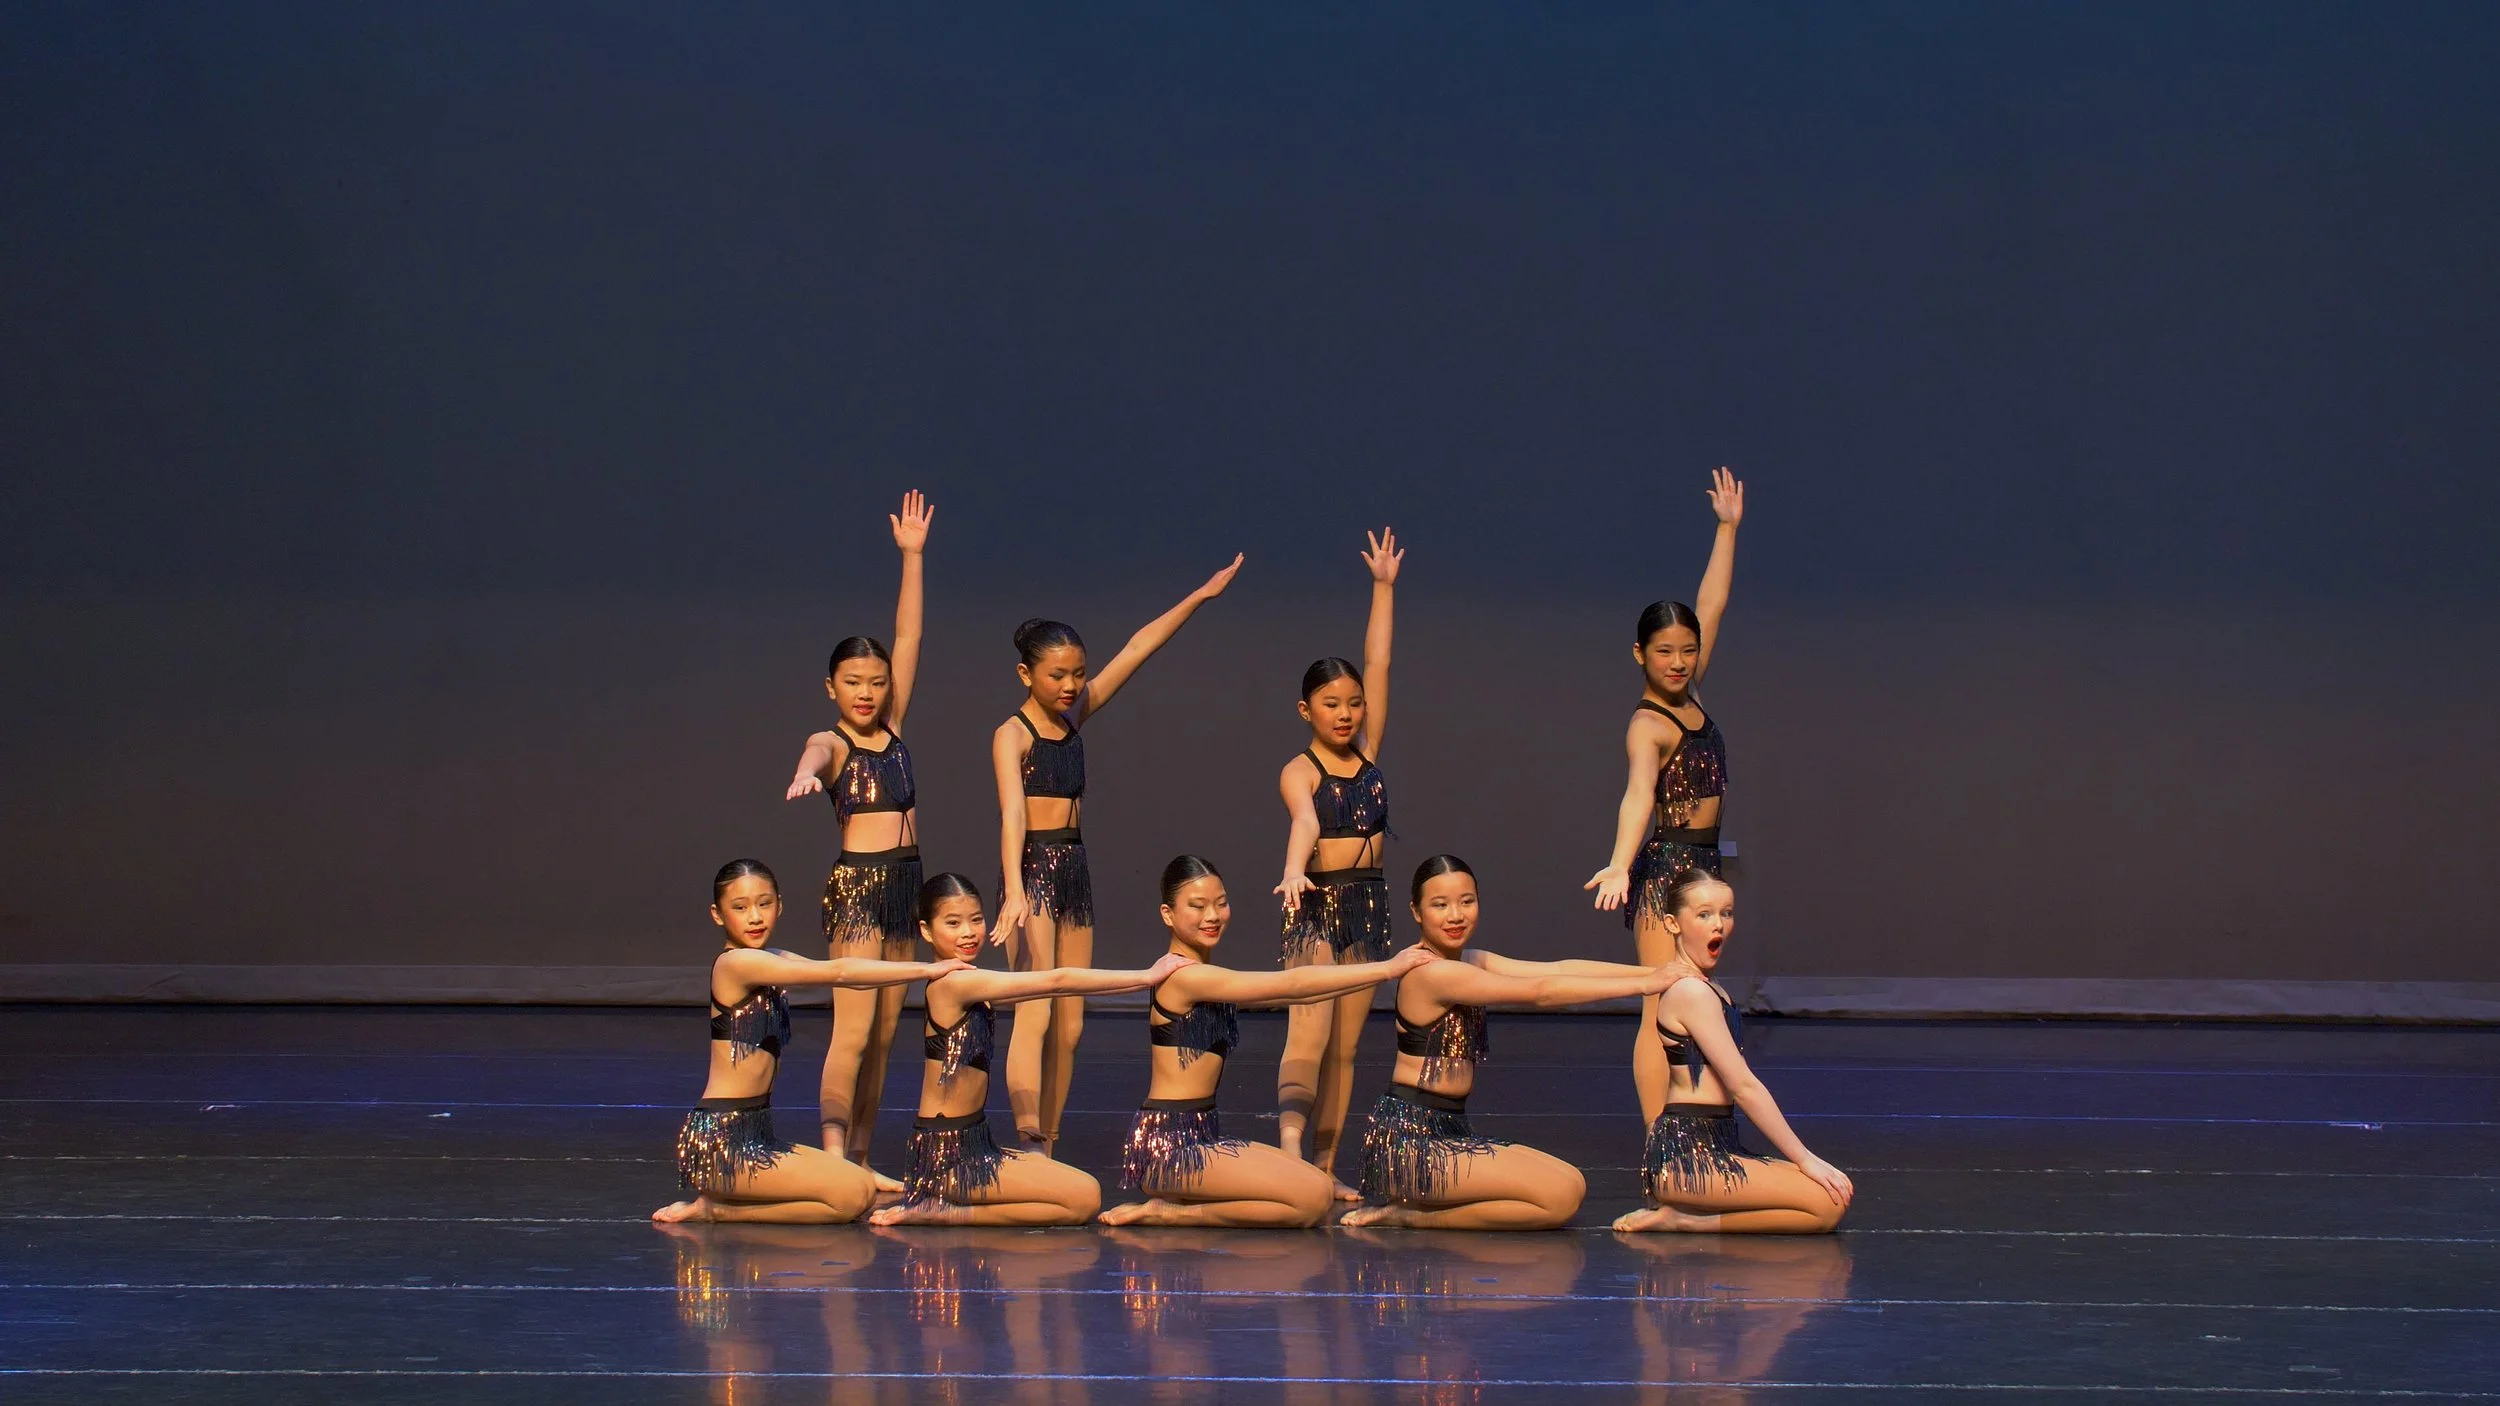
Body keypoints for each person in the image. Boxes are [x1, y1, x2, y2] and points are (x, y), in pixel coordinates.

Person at [986, 553, 1245, 1156]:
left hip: (1072, 871)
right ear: (1025, 674)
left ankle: (1048, 1145)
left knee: (1071, 1026)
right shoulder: (1012, 733)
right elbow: (1013, 814)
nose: (1070, 685)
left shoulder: (1074, 717)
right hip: (1033, 871)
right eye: (1057, 675)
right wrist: (1015, 890)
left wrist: (1199, 596)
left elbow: (1136, 648)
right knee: (1036, 1011)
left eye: (1078, 673)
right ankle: (1026, 1138)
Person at [1341, 856, 1683, 1231]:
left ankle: (1413, 1208)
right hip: (1412, 1144)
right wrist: (1644, 985)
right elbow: (1541, 991)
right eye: (1440, 905)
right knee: (1559, 1198)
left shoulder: (1471, 960)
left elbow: (1559, 969)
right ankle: (1408, 1214)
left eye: (1467, 902)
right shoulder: (1431, 973)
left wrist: (1660, 972)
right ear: (1416, 912)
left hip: (1448, 1131)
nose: (1455, 915)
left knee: (1571, 1182)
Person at [1099, 855, 1436, 1228]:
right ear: (1168, 914)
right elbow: (1291, 986)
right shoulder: (1184, 977)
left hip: (1199, 1137)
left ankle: (1180, 1204)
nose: (1212, 916)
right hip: (1170, 1149)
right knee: (1311, 1200)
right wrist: (1388, 969)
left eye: (1221, 903)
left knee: (1316, 1186)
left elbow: (1304, 991)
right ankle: (1171, 1212)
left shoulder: (1202, 971)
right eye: (1197, 906)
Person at [653, 859, 968, 1224]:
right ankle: (716, 1209)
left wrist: (919, 971)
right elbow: (839, 971)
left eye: (764, 904)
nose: (755, 917)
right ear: (717, 914)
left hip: (756, 1136)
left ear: (779, 905)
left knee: (860, 1187)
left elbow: (848, 972)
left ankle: (723, 1204)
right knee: (852, 1196)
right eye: (740, 908)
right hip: (722, 1143)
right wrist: (929, 969)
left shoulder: (771, 959)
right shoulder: (735, 964)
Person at [872, 873, 1191, 1226]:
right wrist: (1146, 977)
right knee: (1083, 1198)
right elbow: (1057, 981)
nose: (969, 932)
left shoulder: (966, 979)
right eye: (953, 923)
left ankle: (946, 1205)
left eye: (976, 920)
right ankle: (945, 1212)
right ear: (927, 931)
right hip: (947, 1157)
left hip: (972, 1145)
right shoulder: (954, 984)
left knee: (1079, 1190)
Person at [783, 489, 935, 1187]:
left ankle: (864, 1159)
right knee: (851, 1029)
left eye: (876, 683)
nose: (867, 693)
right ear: (831, 688)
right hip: (858, 889)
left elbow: (909, 638)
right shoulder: (834, 740)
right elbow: (816, 751)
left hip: (905, 885)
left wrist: (912, 558)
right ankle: (834, 1155)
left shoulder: (894, 727)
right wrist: (805, 772)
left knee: (884, 1035)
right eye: (853, 683)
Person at [1585, 467, 1744, 1122]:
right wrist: (1620, 864)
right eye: (1664, 652)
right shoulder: (1647, 724)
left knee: (1692, 1003)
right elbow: (1638, 796)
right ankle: (1659, 1141)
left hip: (1702, 866)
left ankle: (1688, 1130)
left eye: (1687, 651)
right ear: (1639, 654)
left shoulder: (1692, 693)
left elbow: (1711, 605)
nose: (1678, 662)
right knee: (1661, 1004)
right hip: (1664, 873)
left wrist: (1726, 529)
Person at [1612, 870, 1853, 1233]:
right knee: (1824, 1203)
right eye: (1704, 914)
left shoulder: (1712, 988)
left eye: (1726, 913)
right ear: (1673, 924)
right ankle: (1685, 1221)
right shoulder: (1691, 993)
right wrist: (1805, 1158)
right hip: (1687, 1158)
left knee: (1827, 1201)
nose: (1719, 924)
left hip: (1716, 1145)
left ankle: (1686, 1216)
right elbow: (1743, 1086)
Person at [1274, 528, 1402, 1198]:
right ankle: (1290, 1151)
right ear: (1307, 710)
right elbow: (1305, 819)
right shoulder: (1300, 769)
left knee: (1348, 1047)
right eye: (1332, 704)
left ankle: (1324, 1168)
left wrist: (1382, 588)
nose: (1346, 713)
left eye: (1353, 704)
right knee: (1310, 1034)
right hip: (1317, 902)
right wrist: (1296, 869)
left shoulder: (1369, 751)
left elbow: (1378, 662)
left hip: (1368, 905)